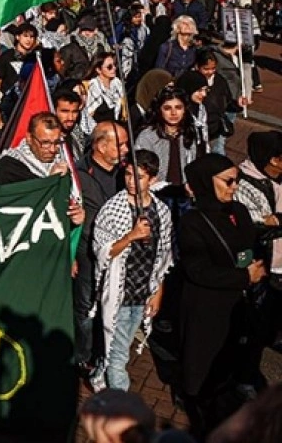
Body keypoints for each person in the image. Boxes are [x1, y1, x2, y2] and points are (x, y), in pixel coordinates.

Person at [177, 155, 267, 437]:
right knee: (202, 362)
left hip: (236, 302)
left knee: (229, 358)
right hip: (206, 306)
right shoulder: (192, 221)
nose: (234, 187)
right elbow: (198, 270)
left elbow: (248, 244)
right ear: (206, 182)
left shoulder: (238, 210)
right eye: (227, 181)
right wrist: (243, 277)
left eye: (236, 180)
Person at [91, 150, 173, 392]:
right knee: (119, 357)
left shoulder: (162, 212)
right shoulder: (112, 209)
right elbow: (103, 251)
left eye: (139, 177)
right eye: (127, 175)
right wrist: (131, 236)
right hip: (118, 292)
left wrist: (157, 292)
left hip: (142, 292)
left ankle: (99, 370)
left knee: (121, 345)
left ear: (153, 179)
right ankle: (120, 403)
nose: (131, 182)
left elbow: (163, 257)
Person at [74, 121, 128, 369]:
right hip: (89, 253)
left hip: (119, 252)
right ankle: (84, 356)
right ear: (100, 145)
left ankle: (104, 351)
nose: (127, 149)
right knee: (86, 307)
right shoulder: (80, 175)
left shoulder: (125, 173)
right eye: (121, 144)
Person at [135, 86, 202, 194]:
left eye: (178, 107)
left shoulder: (189, 133)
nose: (174, 113)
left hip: (184, 195)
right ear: (159, 110)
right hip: (156, 193)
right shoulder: (147, 137)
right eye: (167, 108)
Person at [0, 113, 71, 184]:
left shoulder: (64, 160)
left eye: (57, 142)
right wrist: (50, 181)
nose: (52, 150)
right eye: (45, 143)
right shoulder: (8, 168)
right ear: (29, 138)